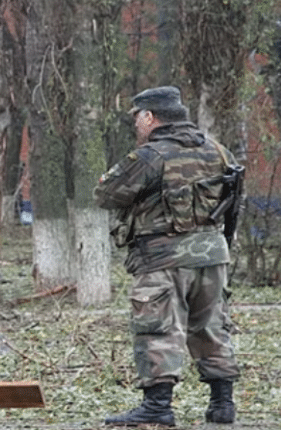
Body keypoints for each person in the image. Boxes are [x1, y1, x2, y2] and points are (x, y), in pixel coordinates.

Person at [93, 86, 241, 427]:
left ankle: (157, 407)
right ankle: (222, 403)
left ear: (150, 117)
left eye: (137, 118)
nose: (136, 125)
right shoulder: (218, 150)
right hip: (212, 256)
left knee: (157, 329)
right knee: (212, 326)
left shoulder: (150, 156)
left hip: (162, 257)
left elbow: (106, 194)